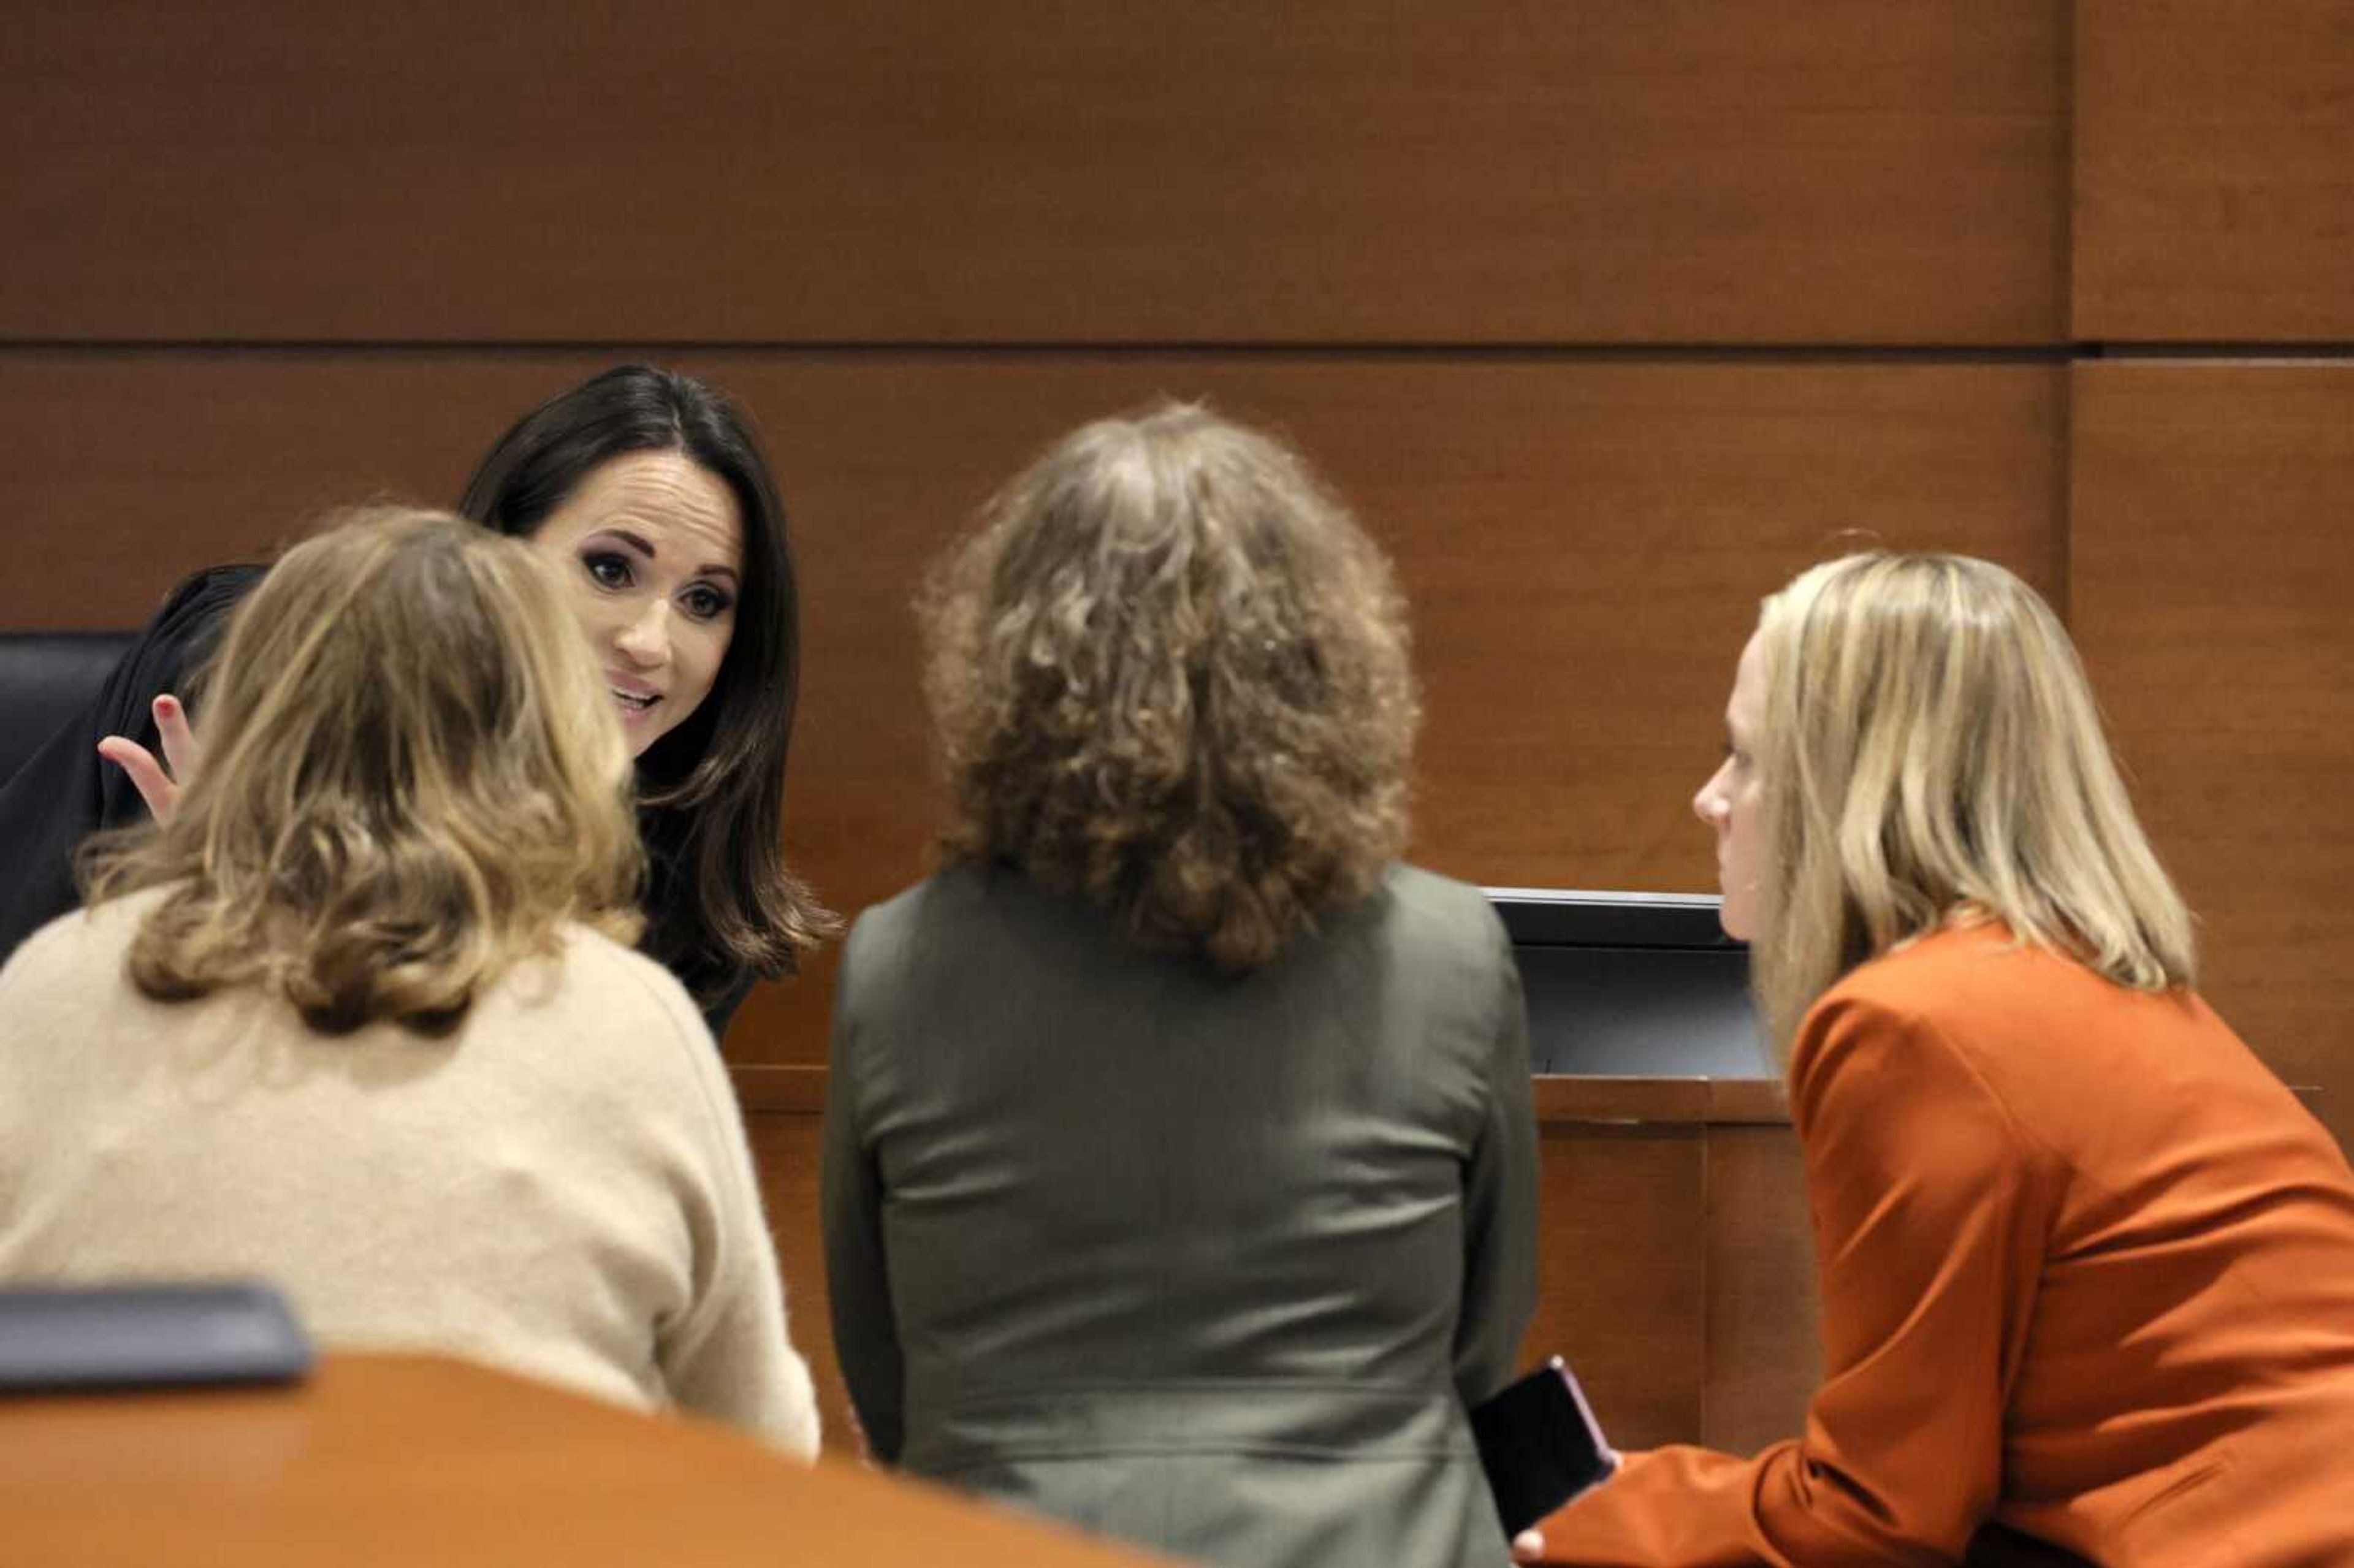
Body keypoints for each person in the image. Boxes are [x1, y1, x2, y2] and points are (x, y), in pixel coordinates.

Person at [1516, 553, 2354, 1567]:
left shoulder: (1916, 1023)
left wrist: (1540, 1501)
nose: (1710, 798)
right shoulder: (2078, 978)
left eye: (1743, 757)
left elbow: (1873, 1520)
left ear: (1846, 788)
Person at [822, 403, 1539, 1568]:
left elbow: (884, 1372)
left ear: (1011, 663)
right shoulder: (1454, 950)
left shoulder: (897, 961)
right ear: (1323, 657)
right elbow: (1480, 1346)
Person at [0, 508, 821, 1453]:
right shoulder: (629, 1014)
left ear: (248, 713)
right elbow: (765, 1444)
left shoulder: (56, 978)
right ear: (555, 740)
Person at [0, 364, 832, 1038]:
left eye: (705, 601)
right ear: (495, 553)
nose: (652, 641)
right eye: (611, 569)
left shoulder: (692, 894)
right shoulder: (255, 694)